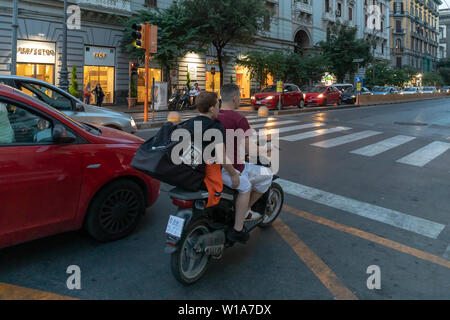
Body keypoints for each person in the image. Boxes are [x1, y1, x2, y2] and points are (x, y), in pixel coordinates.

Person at [183, 91, 248, 243]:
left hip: (190, 173)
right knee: (245, 187)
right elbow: (222, 157)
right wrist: (233, 174)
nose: (219, 108)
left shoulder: (189, 123)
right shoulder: (215, 126)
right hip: (208, 175)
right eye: (218, 105)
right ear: (212, 108)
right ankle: (238, 229)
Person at [217, 83, 273, 243]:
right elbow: (250, 150)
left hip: (214, 167)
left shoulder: (214, 115)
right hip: (232, 168)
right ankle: (239, 225)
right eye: (240, 96)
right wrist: (266, 149)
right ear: (235, 98)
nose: (240, 99)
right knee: (266, 176)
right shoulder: (239, 119)